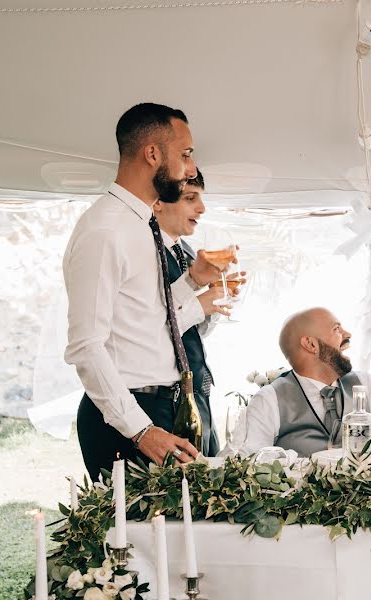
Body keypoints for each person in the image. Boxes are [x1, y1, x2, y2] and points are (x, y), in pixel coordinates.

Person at [64, 103, 232, 481]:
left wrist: (191, 281)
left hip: (163, 407)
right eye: (186, 154)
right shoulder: (105, 230)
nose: (190, 168)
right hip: (128, 418)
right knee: (139, 540)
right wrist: (140, 429)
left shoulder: (141, 225)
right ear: (152, 154)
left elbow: (149, 318)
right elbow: (86, 346)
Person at [224, 308, 371, 458]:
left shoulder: (366, 384)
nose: (348, 335)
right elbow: (242, 460)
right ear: (311, 344)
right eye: (337, 329)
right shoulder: (269, 399)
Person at [152, 168, 244, 456]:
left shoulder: (187, 251)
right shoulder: (147, 253)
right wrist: (200, 304)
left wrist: (215, 300)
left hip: (195, 393)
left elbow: (194, 330)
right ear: (158, 202)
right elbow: (147, 327)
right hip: (161, 399)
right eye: (190, 198)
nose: (201, 209)